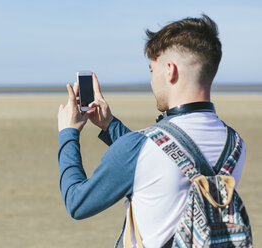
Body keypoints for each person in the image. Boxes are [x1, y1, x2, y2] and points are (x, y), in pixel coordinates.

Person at [57, 15, 246, 247]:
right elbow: (164, 159)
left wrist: (68, 133)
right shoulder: (236, 143)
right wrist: (110, 125)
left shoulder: (139, 147)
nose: (152, 81)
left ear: (170, 71)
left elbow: (77, 203)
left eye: (151, 70)